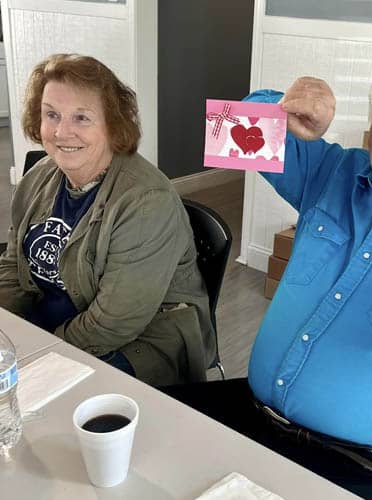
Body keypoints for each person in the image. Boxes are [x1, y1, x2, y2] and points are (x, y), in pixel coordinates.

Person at [163, 44, 372, 499]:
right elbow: (229, 130)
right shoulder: (338, 174)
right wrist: (283, 106)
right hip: (261, 421)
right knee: (142, 435)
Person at [0, 54, 215, 386]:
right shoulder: (39, 177)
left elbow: (114, 323)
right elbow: (12, 269)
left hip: (138, 343)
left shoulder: (145, 201)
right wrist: (8, 333)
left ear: (113, 125)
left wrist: (38, 360)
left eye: (82, 118)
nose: (61, 131)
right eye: (51, 114)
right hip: (52, 328)